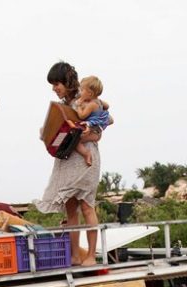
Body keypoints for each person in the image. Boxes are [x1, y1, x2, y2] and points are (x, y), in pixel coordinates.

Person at [36, 62, 109, 266]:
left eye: (56, 83)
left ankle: (91, 256)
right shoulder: (64, 106)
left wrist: (88, 135)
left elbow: (105, 121)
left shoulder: (85, 98)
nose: (54, 88)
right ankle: (75, 255)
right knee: (70, 210)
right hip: (68, 160)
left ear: (66, 81)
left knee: (87, 206)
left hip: (85, 159)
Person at [72, 76, 111, 167]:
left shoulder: (91, 105)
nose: (80, 93)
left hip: (92, 132)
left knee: (75, 142)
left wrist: (78, 105)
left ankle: (86, 154)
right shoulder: (99, 102)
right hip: (97, 132)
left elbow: (82, 115)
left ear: (89, 93)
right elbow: (107, 106)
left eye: (82, 90)